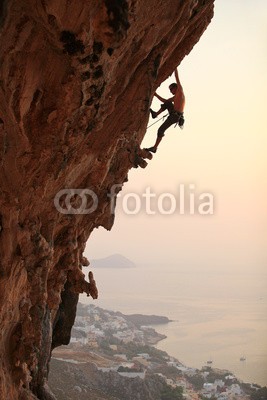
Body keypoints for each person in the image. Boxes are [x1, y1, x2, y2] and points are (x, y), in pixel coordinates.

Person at [145, 68, 185, 153]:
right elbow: (164, 101)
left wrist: (175, 67)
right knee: (168, 103)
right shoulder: (176, 97)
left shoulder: (180, 91)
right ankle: (155, 114)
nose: (171, 91)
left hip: (175, 116)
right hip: (175, 115)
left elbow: (177, 77)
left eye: (171, 89)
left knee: (160, 130)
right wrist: (155, 95)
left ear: (176, 87)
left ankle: (155, 148)